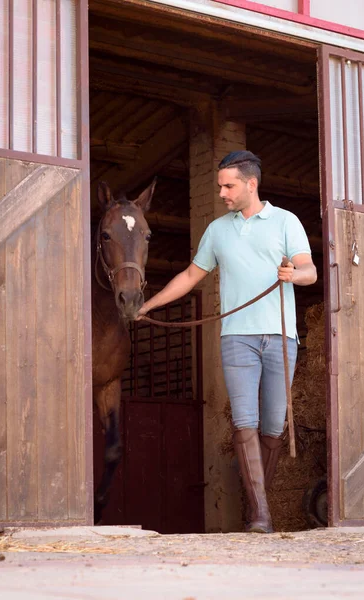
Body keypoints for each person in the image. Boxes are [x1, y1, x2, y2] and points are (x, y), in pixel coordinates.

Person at [136, 150, 317, 533]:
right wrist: (147, 304)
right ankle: (261, 515)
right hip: (237, 337)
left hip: (281, 337)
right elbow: (189, 276)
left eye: (228, 185)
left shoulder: (286, 221)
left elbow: (310, 271)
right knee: (244, 422)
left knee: (272, 426)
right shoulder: (217, 230)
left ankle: (259, 501)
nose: (222, 192)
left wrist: (292, 274)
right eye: (219, 185)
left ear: (251, 184)